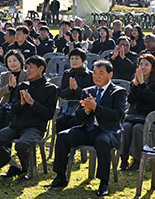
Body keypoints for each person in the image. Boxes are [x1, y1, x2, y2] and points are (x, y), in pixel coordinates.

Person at [47, 60, 127, 197]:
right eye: (95, 73)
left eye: (101, 73)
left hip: (108, 130)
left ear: (110, 74)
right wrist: (87, 110)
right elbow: (78, 117)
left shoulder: (118, 92)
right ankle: (60, 176)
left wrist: (96, 108)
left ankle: (103, 183)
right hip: (88, 129)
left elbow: (117, 116)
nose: (96, 76)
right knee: (63, 136)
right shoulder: (87, 91)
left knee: (102, 141)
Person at [0, 55, 58, 179]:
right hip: (15, 126)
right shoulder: (22, 86)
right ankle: (15, 165)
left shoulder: (51, 89)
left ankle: (26, 169)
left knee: (21, 144)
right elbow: (13, 110)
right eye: (27, 67)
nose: (27, 71)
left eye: (31, 68)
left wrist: (32, 103)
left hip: (35, 128)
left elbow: (49, 114)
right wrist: (21, 104)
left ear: (41, 69)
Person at [120, 53, 155, 171]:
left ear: (152, 67)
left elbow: (151, 102)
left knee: (137, 129)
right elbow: (130, 100)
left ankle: (137, 160)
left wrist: (143, 84)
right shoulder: (134, 81)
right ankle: (123, 158)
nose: (143, 67)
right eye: (141, 64)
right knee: (126, 127)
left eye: (146, 65)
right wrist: (136, 85)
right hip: (135, 116)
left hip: (150, 118)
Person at [56, 48, 94, 133]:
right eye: (72, 59)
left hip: (82, 108)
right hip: (67, 107)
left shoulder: (90, 75)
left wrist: (76, 89)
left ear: (83, 61)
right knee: (61, 121)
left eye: (77, 58)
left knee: (74, 122)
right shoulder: (67, 73)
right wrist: (70, 89)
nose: (74, 61)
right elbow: (61, 93)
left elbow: (89, 96)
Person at [0, 50, 28, 131]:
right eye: (9, 61)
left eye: (14, 60)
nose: (12, 63)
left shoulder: (27, 75)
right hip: (6, 104)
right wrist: (9, 86)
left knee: (9, 119)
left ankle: (7, 141)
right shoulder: (4, 75)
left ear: (20, 61)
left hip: (20, 105)